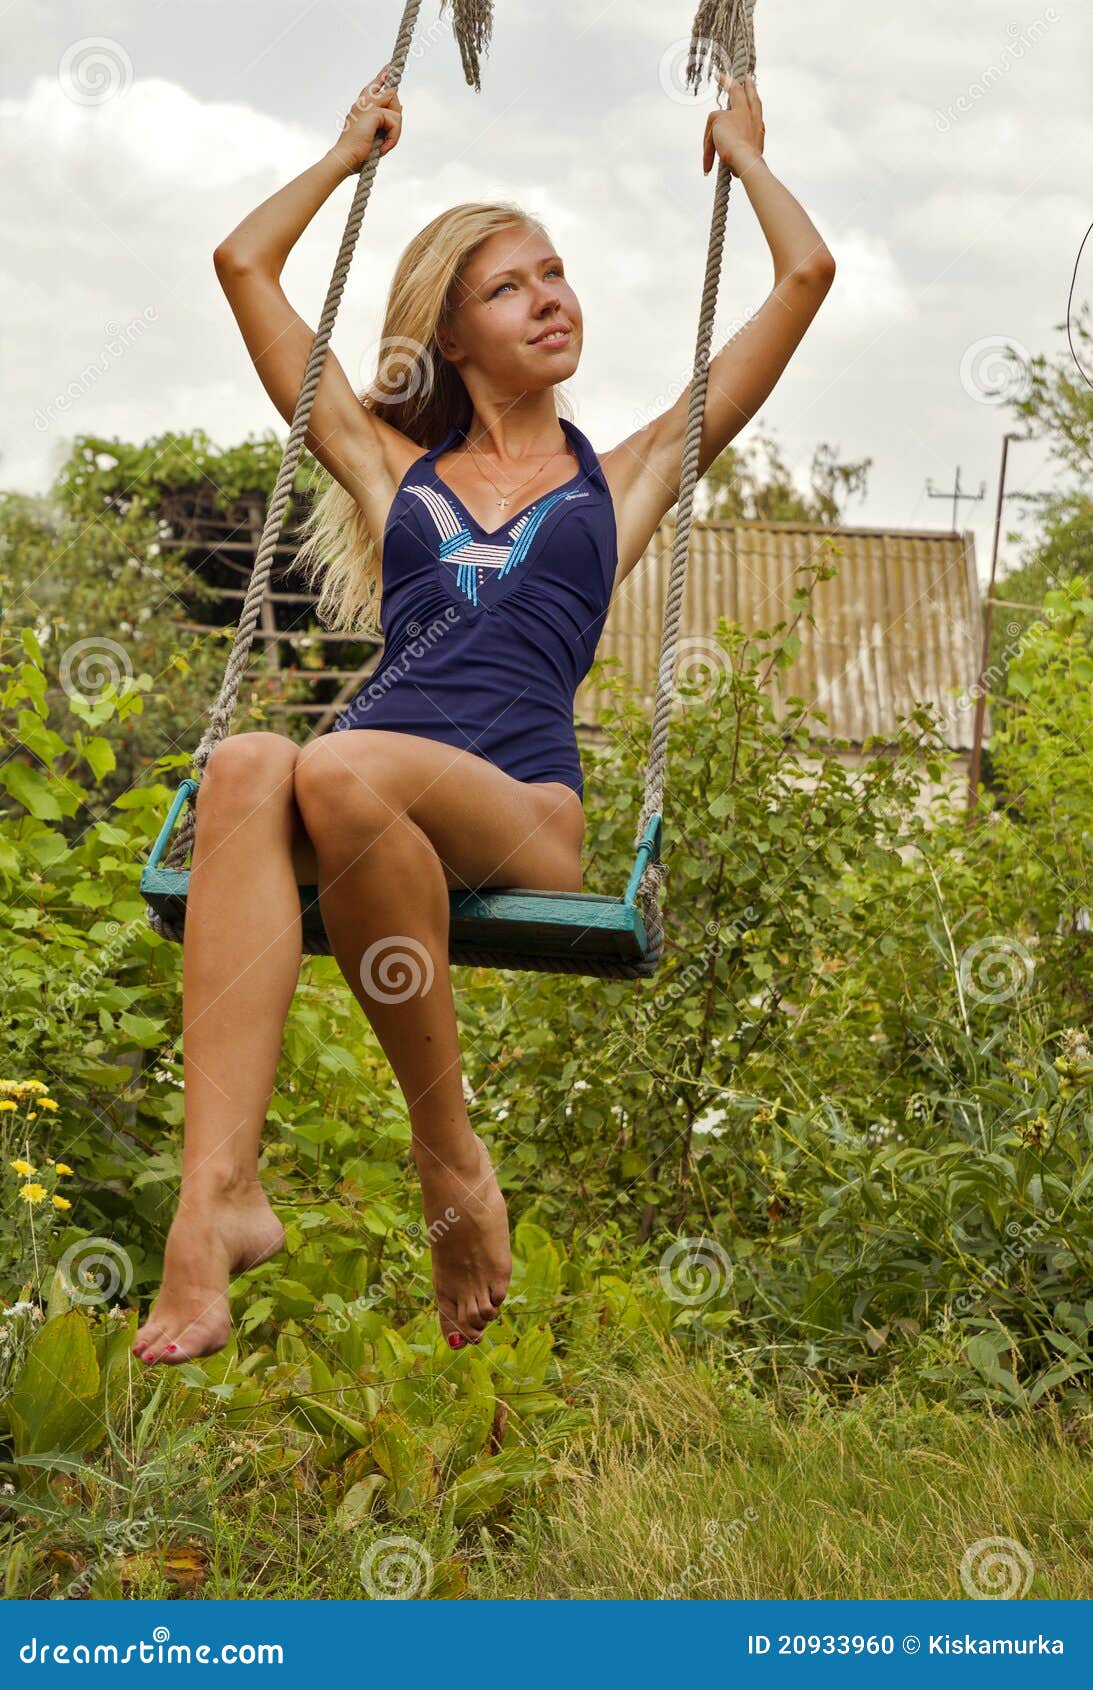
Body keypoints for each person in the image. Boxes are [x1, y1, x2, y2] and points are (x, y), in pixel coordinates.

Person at [132, 62, 835, 1365]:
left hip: (519, 813)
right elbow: (243, 263)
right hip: (370, 808)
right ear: (447, 338)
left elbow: (801, 281)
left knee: (339, 767)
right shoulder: (387, 463)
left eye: (555, 272)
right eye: (508, 286)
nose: (548, 297)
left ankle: (448, 1161)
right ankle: (213, 1202)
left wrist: (744, 158)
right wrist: (347, 155)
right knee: (245, 765)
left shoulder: (619, 480)